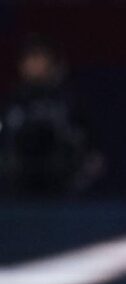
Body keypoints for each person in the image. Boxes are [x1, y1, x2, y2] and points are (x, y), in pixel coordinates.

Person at [0, 37, 104, 197]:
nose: (34, 64)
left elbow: (91, 147)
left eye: (40, 57)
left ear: (52, 62)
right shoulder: (12, 102)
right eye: (30, 58)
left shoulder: (68, 100)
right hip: (18, 187)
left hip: (62, 186)